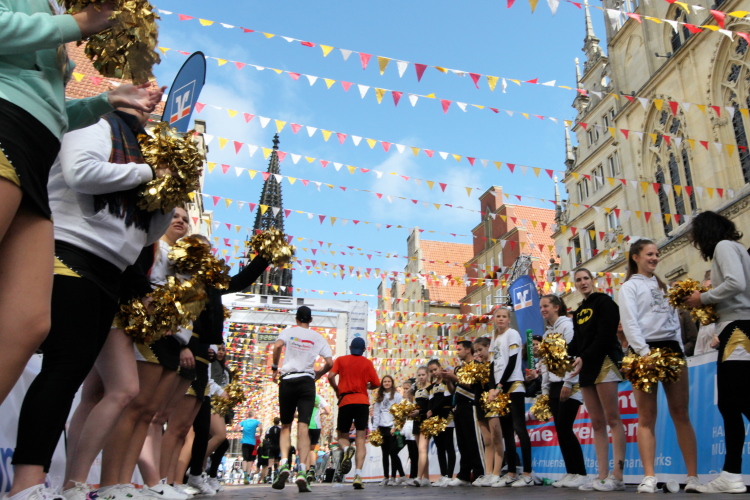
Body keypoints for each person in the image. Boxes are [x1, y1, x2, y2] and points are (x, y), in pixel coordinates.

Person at [0, 1, 164, 410]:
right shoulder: (60, 17)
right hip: (6, 125)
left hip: (35, 150)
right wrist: (78, 23)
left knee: (30, 324)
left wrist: (107, 98)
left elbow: (54, 108)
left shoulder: (52, 8)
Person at [8, 104, 173, 500]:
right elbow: (80, 172)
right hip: (70, 254)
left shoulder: (143, 152)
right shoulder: (96, 124)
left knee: (71, 371)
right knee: (64, 368)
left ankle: (56, 483)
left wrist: (169, 193)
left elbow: (146, 233)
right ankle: (26, 484)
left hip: (109, 270)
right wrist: (149, 173)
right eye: (141, 93)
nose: (150, 103)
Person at [619, 239, 700, 493]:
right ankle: (649, 476)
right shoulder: (629, 287)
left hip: (672, 350)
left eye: (656, 254)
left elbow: (674, 323)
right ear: (636, 257)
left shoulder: (663, 286)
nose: (654, 258)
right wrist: (644, 353)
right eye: (649, 254)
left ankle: (693, 476)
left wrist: (679, 349)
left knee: (681, 412)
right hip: (644, 352)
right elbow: (630, 322)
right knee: (646, 417)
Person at [685, 211, 750, 493]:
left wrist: (703, 297)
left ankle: (731, 474)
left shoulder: (724, 247)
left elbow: (736, 283)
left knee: (741, 400)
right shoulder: (736, 248)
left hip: (738, 330)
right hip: (734, 328)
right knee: (729, 404)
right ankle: (731, 474)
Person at [569, 268, 627, 492]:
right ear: (575, 284)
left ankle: (618, 476)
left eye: (586, 278)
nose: (583, 282)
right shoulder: (579, 311)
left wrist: (584, 355)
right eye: (578, 280)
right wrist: (557, 351)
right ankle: (602, 475)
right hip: (586, 367)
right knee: (597, 423)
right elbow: (577, 342)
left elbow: (605, 335)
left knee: (613, 418)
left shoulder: (604, 302)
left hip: (604, 362)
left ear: (593, 280)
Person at [271, 306, 334, 492]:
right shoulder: (317, 337)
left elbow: (277, 346)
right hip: (307, 382)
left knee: (285, 425)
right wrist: (319, 374)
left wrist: (274, 367)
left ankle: (284, 463)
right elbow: (330, 363)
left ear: (296, 319)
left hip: (288, 380)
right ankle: (302, 470)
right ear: (310, 320)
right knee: (303, 427)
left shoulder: (289, 331)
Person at [539, 295, 587, 489]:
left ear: (557, 307)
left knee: (565, 427)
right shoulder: (547, 334)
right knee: (560, 429)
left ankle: (580, 472)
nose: (543, 310)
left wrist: (569, 382)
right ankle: (571, 471)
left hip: (569, 383)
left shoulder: (567, 325)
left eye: (546, 306)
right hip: (554, 384)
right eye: (541, 307)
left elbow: (573, 354)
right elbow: (545, 363)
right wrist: (545, 387)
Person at [487, 307, 534, 487]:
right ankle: (512, 472)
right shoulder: (494, 338)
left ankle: (527, 473)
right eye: (498, 316)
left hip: (513, 384)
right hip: (500, 389)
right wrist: (492, 388)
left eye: (504, 316)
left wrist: (500, 385)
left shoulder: (512, 334)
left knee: (519, 428)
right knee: (506, 431)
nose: (501, 319)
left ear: (508, 319)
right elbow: (492, 365)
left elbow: (513, 361)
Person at [328, 337, 380, 489]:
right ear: (364, 349)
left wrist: (337, 389)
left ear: (350, 347)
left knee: (341, 436)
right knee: (361, 438)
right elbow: (376, 383)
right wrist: (367, 387)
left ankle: (346, 449)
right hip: (362, 402)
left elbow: (330, 376)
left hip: (346, 401)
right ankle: (358, 475)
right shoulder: (367, 363)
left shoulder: (341, 360)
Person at [441, 341, 484, 487]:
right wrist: (448, 380)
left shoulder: (476, 365)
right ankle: (464, 474)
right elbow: (454, 390)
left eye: (459, 349)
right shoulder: (459, 368)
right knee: (462, 443)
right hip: (459, 407)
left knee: (473, 442)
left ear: (468, 350)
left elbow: (473, 386)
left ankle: (479, 473)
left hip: (471, 406)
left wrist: (454, 378)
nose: (457, 352)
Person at [471, 337, 504, 487]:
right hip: (479, 403)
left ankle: (496, 473)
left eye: (480, 349)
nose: (478, 353)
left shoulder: (494, 364)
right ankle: (488, 473)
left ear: (488, 347)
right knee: (487, 440)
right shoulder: (477, 367)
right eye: (476, 351)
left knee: (496, 438)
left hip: (492, 401)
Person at [372, 375, 407, 486]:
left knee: (393, 452)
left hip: (392, 427)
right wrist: (374, 428)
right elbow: (376, 413)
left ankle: (394, 476)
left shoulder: (397, 396)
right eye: (385, 381)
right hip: (382, 427)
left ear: (392, 383)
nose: (387, 383)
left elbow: (400, 413)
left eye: (389, 381)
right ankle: (386, 476)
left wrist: (396, 426)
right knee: (385, 453)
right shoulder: (380, 396)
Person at [426, 360, 456, 486]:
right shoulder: (432, 386)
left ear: (440, 368)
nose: (434, 372)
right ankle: (443, 475)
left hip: (446, 416)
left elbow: (447, 399)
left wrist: (432, 410)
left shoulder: (446, 381)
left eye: (435, 369)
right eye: (431, 371)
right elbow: (431, 401)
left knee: (449, 446)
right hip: (435, 419)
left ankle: (449, 475)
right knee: (440, 448)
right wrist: (429, 412)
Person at [407, 366, 431, 487]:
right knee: (420, 450)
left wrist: (420, 412)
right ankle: (426, 477)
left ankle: (418, 477)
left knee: (422, 448)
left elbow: (430, 405)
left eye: (423, 375)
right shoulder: (417, 389)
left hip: (426, 420)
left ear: (427, 375)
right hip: (417, 420)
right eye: (419, 375)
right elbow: (415, 403)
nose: (421, 377)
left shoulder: (430, 388)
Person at [307, 394, 331, 478]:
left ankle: (305, 471)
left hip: (305, 425)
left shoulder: (302, 395)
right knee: (312, 449)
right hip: (316, 426)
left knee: (305, 449)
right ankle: (312, 468)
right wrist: (321, 412)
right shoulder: (318, 397)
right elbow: (328, 411)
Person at [238, 411, 263, 483]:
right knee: (250, 460)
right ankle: (248, 474)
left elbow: (236, 427)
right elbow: (261, 428)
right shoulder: (256, 421)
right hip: (252, 442)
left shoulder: (244, 421)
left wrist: (241, 431)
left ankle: (245, 472)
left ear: (248, 415)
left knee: (245, 458)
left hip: (244, 441)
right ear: (254, 415)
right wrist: (260, 435)